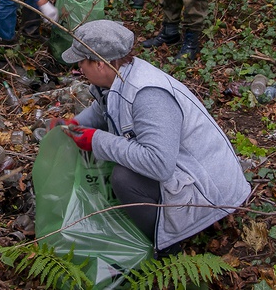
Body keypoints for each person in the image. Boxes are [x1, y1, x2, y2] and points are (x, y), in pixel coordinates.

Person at [53, 19, 250, 257]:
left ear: (100, 64)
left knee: (124, 178)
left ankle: (167, 247)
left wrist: (96, 140)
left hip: (209, 191)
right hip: (186, 169)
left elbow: (159, 164)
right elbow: (104, 108)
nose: (78, 70)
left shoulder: (148, 94)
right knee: (120, 161)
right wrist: (75, 125)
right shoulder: (120, 76)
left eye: (81, 63)